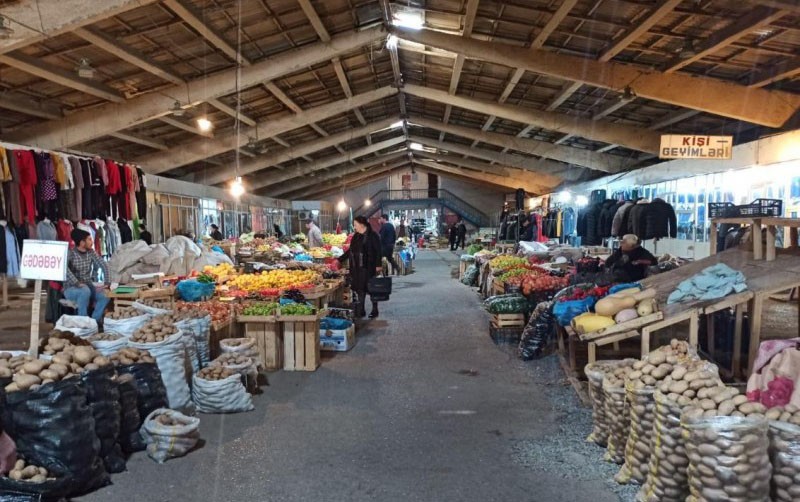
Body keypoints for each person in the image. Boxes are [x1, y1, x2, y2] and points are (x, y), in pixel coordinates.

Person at [338, 216, 383, 319]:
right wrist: (339, 259)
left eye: (355, 225)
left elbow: (378, 251)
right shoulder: (356, 236)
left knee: (371, 289)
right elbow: (350, 251)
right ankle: (361, 310)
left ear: (362, 224)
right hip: (357, 268)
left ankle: (375, 310)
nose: (354, 227)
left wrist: (378, 265)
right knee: (360, 289)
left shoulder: (373, 235)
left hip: (369, 267)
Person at [64, 229, 111, 323]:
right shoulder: (71, 253)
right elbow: (64, 269)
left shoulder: (91, 252)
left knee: (105, 295)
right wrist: (77, 283)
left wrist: (107, 282)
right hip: (71, 289)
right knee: (85, 291)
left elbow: (103, 264)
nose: (92, 242)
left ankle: (94, 322)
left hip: (88, 286)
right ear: (82, 242)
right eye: (89, 239)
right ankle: (83, 322)